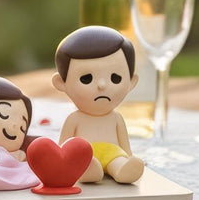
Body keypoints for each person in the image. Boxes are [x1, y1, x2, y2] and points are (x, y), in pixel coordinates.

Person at [51, 25, 145, 184]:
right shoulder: (74, 119)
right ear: (61, 83)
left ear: (131, 82)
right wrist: (63, 160)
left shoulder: (116, 118)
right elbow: (64, 145)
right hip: (84, 154)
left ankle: (123, 169)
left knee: (119, 161)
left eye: (115, 78)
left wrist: (129, 157)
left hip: (113, 153)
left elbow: (125, 145)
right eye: (86, 78)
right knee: (84, 161)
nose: (102, 85)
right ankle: (87, 169)